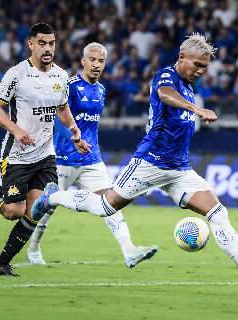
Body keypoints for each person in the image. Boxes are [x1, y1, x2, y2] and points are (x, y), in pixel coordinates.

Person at [32, 33, 238, 288]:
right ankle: (51, 198)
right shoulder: (166, 77)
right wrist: (196, 109)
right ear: (182, 57)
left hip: (179, 169)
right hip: (150, 162)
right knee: (105, 207)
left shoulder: (188, 85)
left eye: (205, 68)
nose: (200, 71)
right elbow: (164, 93)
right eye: (197, 65)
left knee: (218, 212)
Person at [0, 23, 90, 276]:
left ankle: (1, 263)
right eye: (42, 43)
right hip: (17, 155)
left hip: (46, 155)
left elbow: (62, 107)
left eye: (51, 43)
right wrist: (16, 130)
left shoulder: (61, 76)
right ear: (31, 44)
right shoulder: (17, 74)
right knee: (13, 212)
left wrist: (74, 129)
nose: (48, 48)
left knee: (35, 211)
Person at [27, 42, 157, 267]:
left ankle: (129, 251)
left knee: (110, 203)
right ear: (83, 62)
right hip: (63, 158)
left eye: (101, 61)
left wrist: (86, 143)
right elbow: (59, 115)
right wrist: (74, 138)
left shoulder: (101, 90)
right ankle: (34, 247)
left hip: (91, 159)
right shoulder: (69, 86)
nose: (97, 65)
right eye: (93, 60)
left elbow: (90, 125)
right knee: (48, 208)